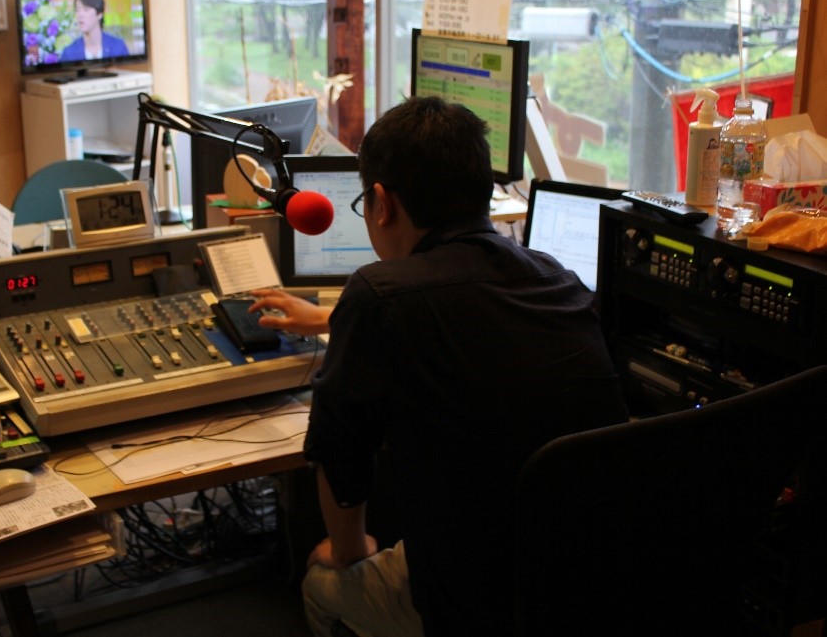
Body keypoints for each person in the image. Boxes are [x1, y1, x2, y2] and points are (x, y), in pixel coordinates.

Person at [249, 96, 629, 636]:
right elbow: (467, 314)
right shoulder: (556, 278)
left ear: (381, 203)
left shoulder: (378, 293)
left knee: (320, 582)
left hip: (473, 599)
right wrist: (334, 318)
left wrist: (348, 552)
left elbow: (339, 452)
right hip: (591, 583)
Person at [60, 0, 129, 62]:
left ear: (99, 14)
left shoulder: (118, 47)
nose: (80, 15)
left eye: (86, 10)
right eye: (77, 10)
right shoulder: (69, 53)